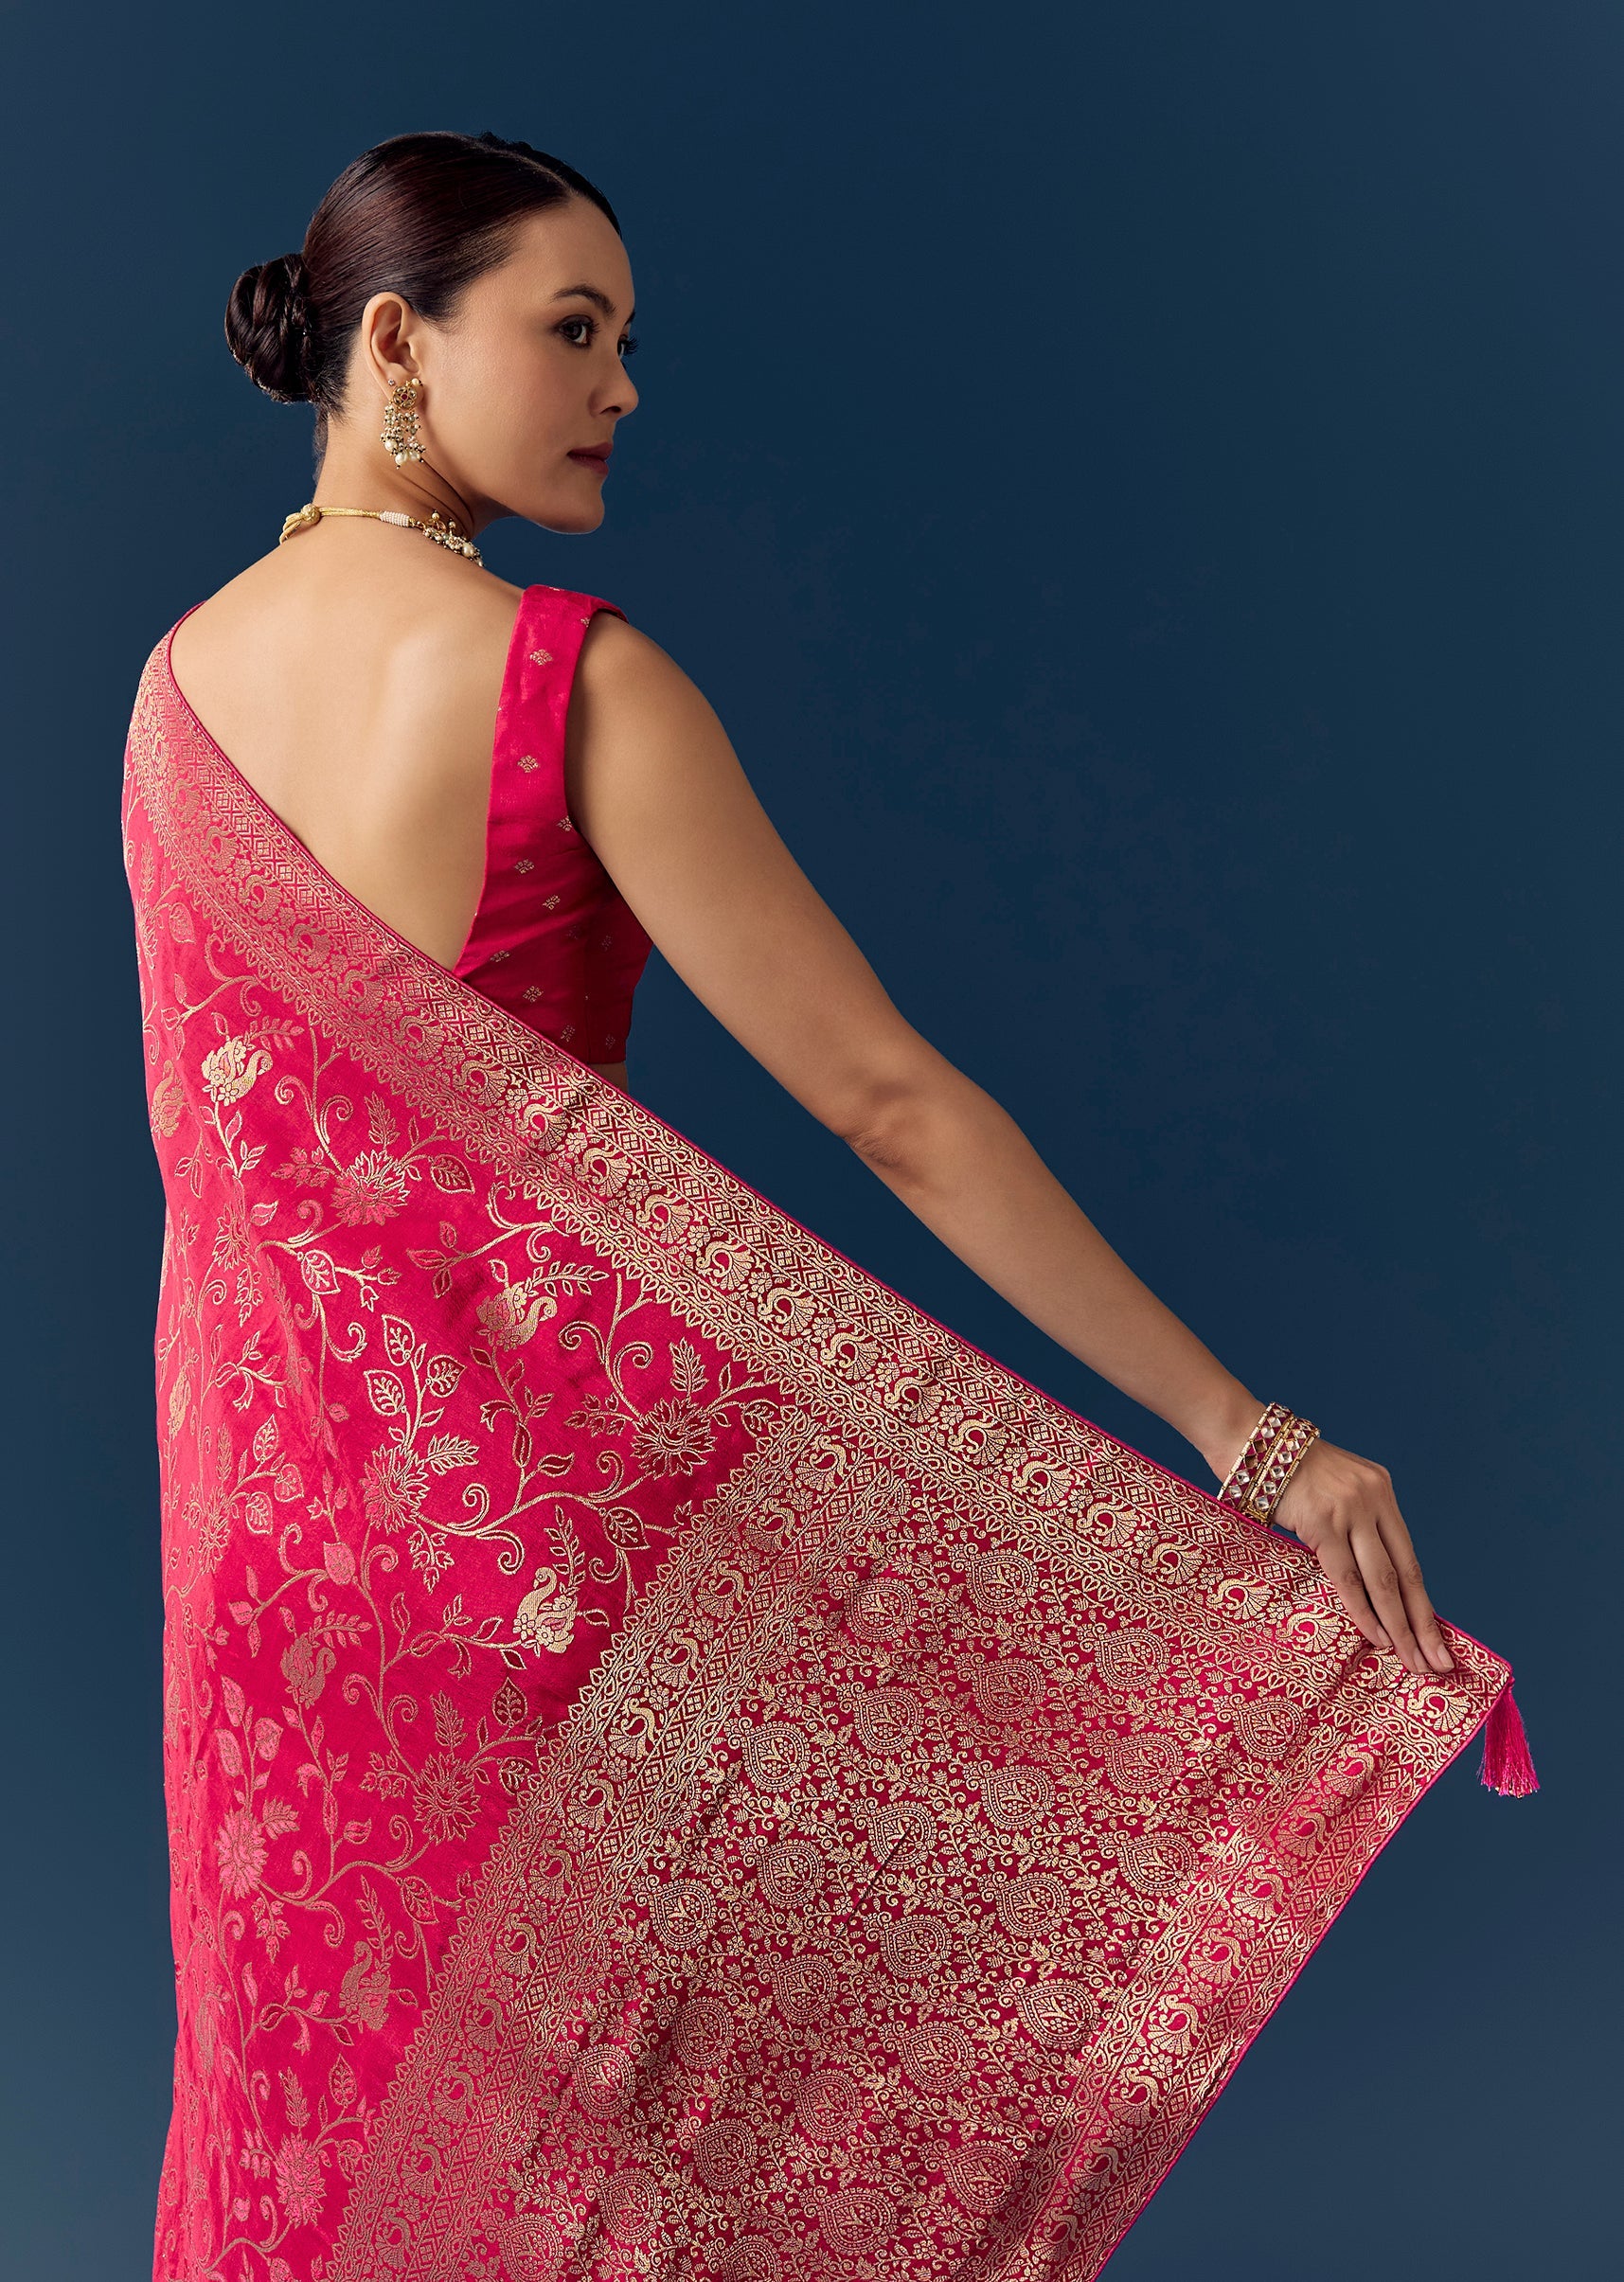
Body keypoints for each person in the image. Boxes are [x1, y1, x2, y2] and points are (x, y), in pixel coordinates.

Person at [126, 130, 1522, 2282]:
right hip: (539, 1593)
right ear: (396, 342)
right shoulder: (565, 679)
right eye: (572, 329)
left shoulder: (172, 700)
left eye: (625, 338)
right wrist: (1251, 1437)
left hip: (266, 1591)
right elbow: (889, 1104)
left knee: (316, 2142)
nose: (623, 387)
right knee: (618, 2171)